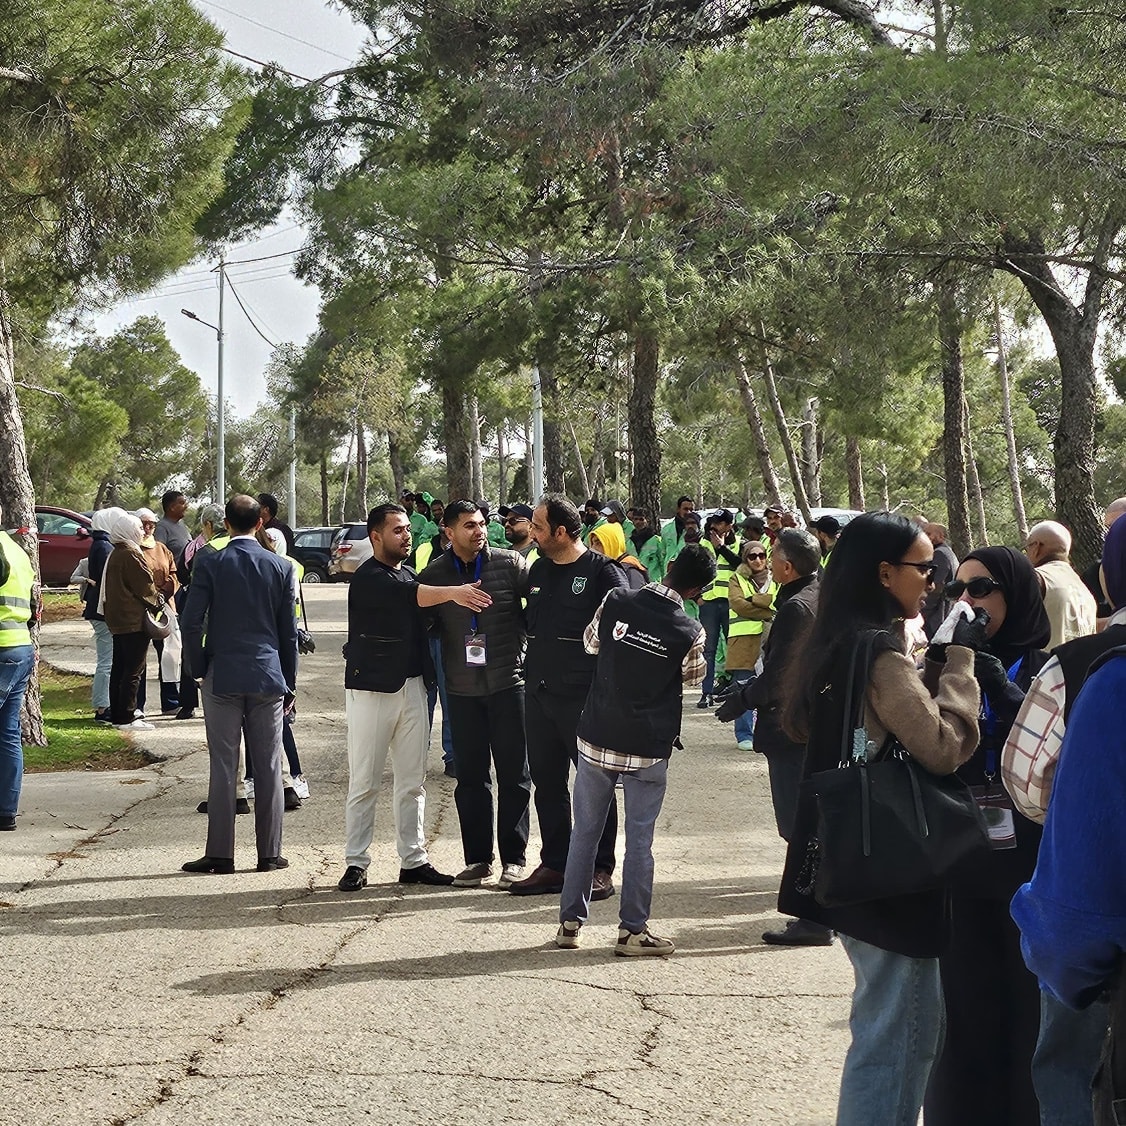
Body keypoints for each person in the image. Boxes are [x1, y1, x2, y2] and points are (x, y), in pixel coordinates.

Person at [775, 512, 982, 1125]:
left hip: (851, 860)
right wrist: (961, 665)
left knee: (889, 1027)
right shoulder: (880, 655)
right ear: (885, 573)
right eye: (924, 568)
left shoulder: (834, 644)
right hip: (892, 872)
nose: (932, 581)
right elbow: (942, 746)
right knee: (900, 1037)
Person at [922, 546, 1052, 1126]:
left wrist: (999, 685)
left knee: (1028, 1013)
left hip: (1030, 863)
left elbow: (1056, 751)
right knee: (964, 1012)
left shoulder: (1049, 667)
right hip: (962, 858)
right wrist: (942, 666)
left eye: (981, 589)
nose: (967, 602)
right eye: (958, 589)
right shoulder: (949, 663)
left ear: (1015, 595)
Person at [554, 545, 713, 955]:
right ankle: (632, 932)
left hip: (597, 735)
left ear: (670, 566)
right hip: (647, 746)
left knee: (585, 833)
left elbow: (591, 643)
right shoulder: (690, 630)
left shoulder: (616, 598)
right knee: (640, 840)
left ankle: (569, 925)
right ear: (697, 591)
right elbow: (694, 678)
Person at [337, 503, 495, 893]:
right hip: (372, 690)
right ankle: (356, 862)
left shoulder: (407, 572)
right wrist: (456, 593)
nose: (406, 536)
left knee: (412, 782)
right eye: (398, 530)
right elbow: (413, 596)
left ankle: (413, 860)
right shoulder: (369, 577)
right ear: (375, 536)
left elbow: (425, 610)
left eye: (408, 529)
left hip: (413, 688)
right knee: (365, 781)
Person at [510, 496, 629, 897]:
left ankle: (600, 867)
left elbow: (621, 630)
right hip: (539, 693)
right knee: (547, 783)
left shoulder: (603, 572)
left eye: (538, 527)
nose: (532, 533)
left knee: (595, 784)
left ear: (561, 532)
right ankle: (556, 864)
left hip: (584, 697)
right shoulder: (539, 569)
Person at [718, 528, 831, 944]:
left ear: (786, 566)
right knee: (809, 821)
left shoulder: (798, 608)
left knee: (798, 825)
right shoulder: (818, 594)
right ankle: (821, 909)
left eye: (773, 555)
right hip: (811, 723)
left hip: (792, 727)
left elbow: (782, 677)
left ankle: (815, 918)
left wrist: (742, 699)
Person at [180, 495, 297, 875]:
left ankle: (220, 854)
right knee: (269, 765)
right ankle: (269, 854)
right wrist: (289, 682)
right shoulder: (281, 566)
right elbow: (288, 633)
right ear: (260, 523)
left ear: (225, 524)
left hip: (223, 673)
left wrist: (198, 668)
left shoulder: (210, 561)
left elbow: (191, 621)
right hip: (267, 674)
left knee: (223, 764)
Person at [418, 501, 532, 888]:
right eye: (469, 525)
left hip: (508, 685)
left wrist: (525, 650)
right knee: (470, 779)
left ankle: (514, 860)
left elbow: (537, 608)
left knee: (515, 775)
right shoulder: (435, 574)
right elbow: (423, 624)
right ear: (449, 532)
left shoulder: (510, 564)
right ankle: (478, 860)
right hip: (461, 691)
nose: (479, 530)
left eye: (482, 523)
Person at [101, 511, 161, 731]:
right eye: (139, 528)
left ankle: (118, 714)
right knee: (133, 670)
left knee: (120, 668)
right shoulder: (131, 554)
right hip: (133, 620)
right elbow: (145, 587)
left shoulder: (116, 553)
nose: (142, 532)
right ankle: (127, 716)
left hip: (118, 620)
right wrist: (159, 603)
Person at [0, 504, 37, 831]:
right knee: (8, 732)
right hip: (20, 646)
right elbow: (33, 603)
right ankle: (6, 811)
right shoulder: (17, 550)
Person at [724, 539, 776, 752]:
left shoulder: (775, 577)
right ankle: (744, 734)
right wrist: (767, 609)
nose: (758, 560)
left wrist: (753, 598)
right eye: (752, 556)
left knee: (771, 687)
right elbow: (738, 605)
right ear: (745, 558)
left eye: (761, 555)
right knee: (743, 687)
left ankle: (767, 733)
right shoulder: (736, 578)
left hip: (771, 639)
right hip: (744, 641)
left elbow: (777, 600)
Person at [1024, 519, 1097, 649]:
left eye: (1027, 547)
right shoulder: (1086, 592)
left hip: (1045, 661)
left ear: (1036, 547)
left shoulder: (1037, 579)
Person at [136, 507, 180, 715]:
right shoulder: (132, 549)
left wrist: (163, 593)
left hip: (164, 608)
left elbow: (173, 575)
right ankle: (137, 705)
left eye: (151, 524)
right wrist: (150, 596)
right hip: (140, 609)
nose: (147, 528)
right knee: (139, 658)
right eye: (143, 524)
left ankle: (171, 702)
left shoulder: (162, 548)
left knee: (169, 655)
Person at [696, 510, 740, 709]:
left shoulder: (739, 544)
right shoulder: (704, 543)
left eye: (720, 523)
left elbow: (742, 566)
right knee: (709, 650)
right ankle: (706, 693)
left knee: (735, 648)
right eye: (714, 522)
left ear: (729, 525)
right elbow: (695, 570)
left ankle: (734, 690)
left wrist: (721, 548)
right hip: (709, 604)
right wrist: (697, 597)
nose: (714, 526)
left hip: (732, 604)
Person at [81, 509, 115, 724]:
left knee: (108, 660)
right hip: (101, 611)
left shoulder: (101, 543)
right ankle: (102, 708)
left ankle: (106, 704)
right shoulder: (104, 546)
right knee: (106, 661)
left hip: (99, 609)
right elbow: (107, 579)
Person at [921, 522, 960, 638]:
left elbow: (936, 587)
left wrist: (922, 613)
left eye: (928, 534)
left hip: (936, 618)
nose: (925, 537)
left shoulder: (939, 554)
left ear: (941, 536)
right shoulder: (948, 552)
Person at [589, 521, 646, 588]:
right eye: (592, 543)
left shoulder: (630, 572)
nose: (593, 548)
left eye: (598, 543)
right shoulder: (609, 569)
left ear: (613, 544)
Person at [154, 490, 191, 575]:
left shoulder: (181, 524)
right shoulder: (161, 528)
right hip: (175, 578)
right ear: (172, 507)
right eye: (182, 503)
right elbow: (159, 556)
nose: (186, 506)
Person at [629, 507, 665, 580]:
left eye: (641, 519)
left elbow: (663, 563)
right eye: (635, 519)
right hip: (635, 580)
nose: (638, 522)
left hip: (653, 581)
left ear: (647, 521)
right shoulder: (629, 542)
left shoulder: (656, 540)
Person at [660, 496, 695, 562]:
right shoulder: (666, 529)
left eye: (691, 510)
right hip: (668, 567)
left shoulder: (697, 531)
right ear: (678, 509)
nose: (688, 512)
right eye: (685, 509)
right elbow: (662, 554)